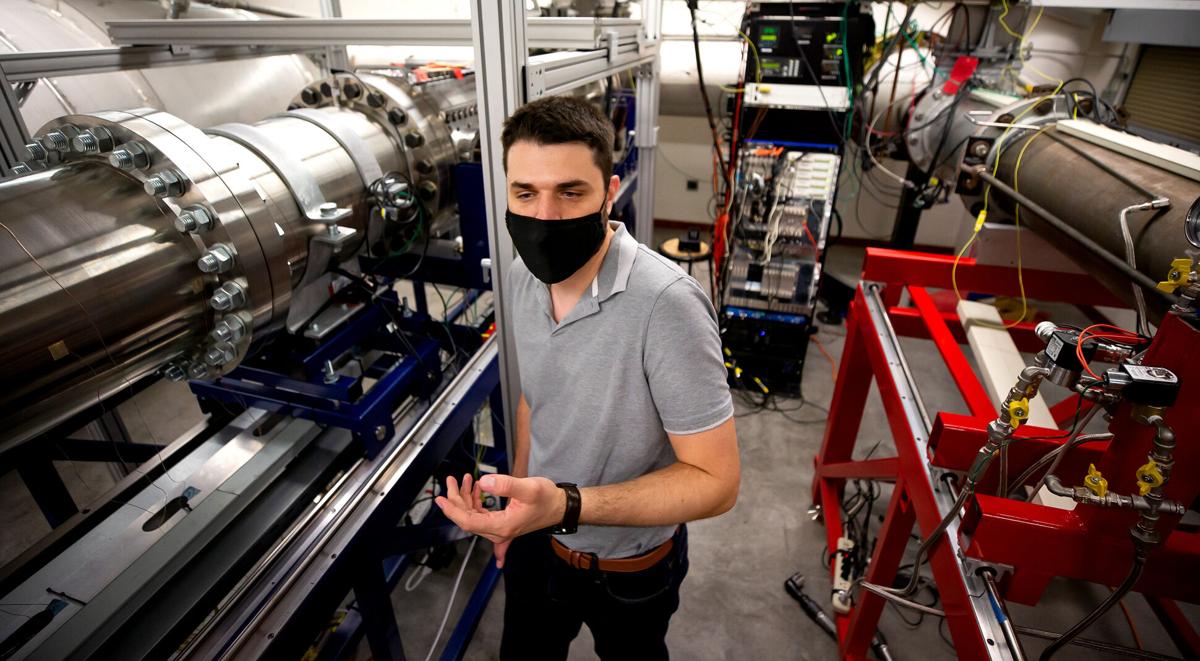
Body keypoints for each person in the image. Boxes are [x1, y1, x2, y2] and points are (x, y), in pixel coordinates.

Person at [435, 95, 739, 660]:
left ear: (610, 190)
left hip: (630, 570)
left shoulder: (666, 305)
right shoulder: (522, 275)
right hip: (536, 538)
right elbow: (535, 401)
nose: (544, 217)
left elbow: (717, 482)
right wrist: (517, 516)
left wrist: (568, 505)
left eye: (570, 192)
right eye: (525, 193)